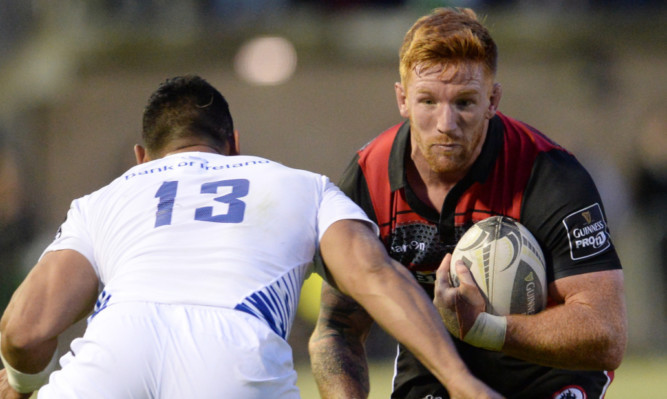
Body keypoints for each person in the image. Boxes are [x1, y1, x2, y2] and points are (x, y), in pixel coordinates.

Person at [0, 75, 501, 399]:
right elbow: (374, 277)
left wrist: (21, 387)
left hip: (110, 358)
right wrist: (463, 384)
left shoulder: (104, 199)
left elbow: (23, 331)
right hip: (232, 359)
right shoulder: (301, 185)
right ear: (235, 147)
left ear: (142, 159)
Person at [308, 7, 627, 399]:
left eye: (463, 103)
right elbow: (337, 328)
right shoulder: (368, 177)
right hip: (437, 367)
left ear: (493, 100)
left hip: (549, 373)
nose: (445, 123)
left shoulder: (548, 174)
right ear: (402, 99)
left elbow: (607, 333)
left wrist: (482, 327)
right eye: (427, 102)